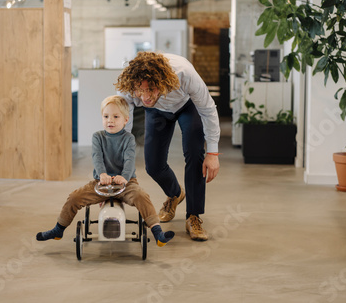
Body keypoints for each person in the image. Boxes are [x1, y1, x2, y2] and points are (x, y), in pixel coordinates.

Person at [36, 95, 174, 247]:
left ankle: (157, 233)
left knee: (142, 196)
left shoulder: (129, 139)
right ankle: (58, 229)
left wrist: (124, 177)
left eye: (116, 116)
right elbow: (97, 157)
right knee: (75, 197)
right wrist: (102, 174)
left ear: (126, 120)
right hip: (101, 182)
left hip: (125, 182)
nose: (110, 120)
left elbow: (129, 160)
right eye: (106, 116)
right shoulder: (98, 137)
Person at [115, 51, 220, 241]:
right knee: (153, 165)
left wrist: (212, 152)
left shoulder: (184, 73)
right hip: (157, 111)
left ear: (162, 83)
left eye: (151, 89)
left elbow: (208, 109)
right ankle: (175, 194)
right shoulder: (130, 83)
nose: (145, 97)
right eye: (141, 90)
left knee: (195, 154)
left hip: (187, 107)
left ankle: (193, 216)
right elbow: (124, 117)